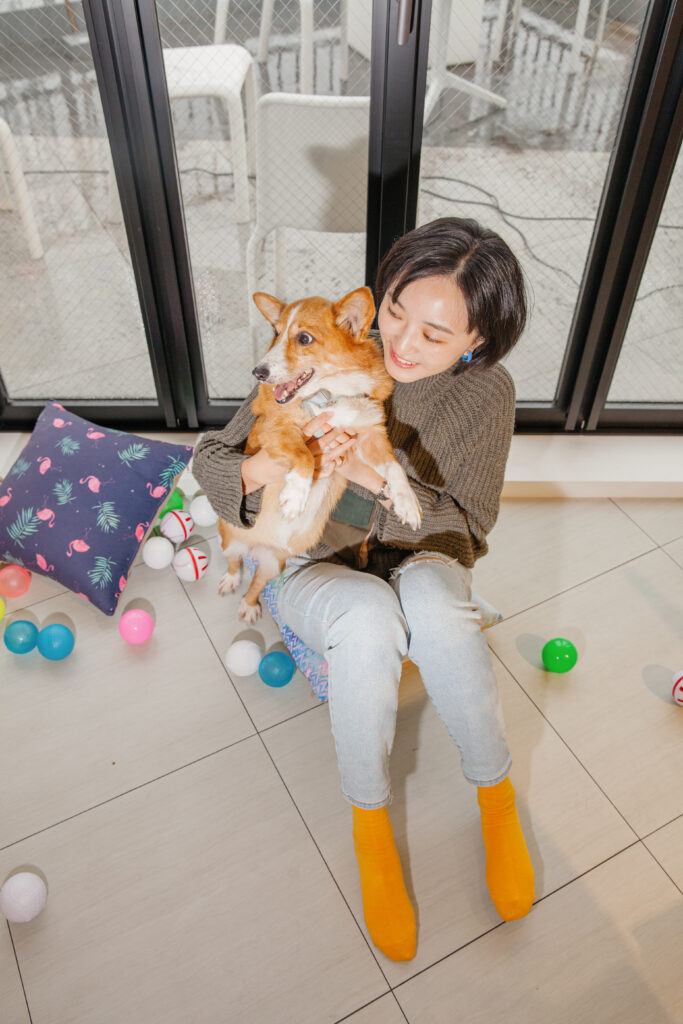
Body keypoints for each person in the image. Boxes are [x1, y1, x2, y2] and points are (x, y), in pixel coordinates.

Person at [192, 217, 535, 962]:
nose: (401, 344)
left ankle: (494, 797)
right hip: (315, 563)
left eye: (435, 335)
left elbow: (470, 527)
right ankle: (370, 829)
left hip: (424, 552)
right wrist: (267, 471)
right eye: (394, 313)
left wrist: (374, 476)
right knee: (368, 619)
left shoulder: (487, 394)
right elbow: (210, 461)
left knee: (442, 618)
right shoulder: (328, 343)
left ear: (475, 343)